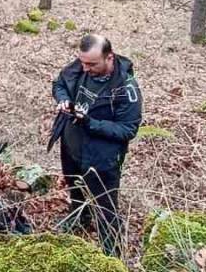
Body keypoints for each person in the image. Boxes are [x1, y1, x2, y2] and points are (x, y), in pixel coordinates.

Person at [51, 33, 142, 257]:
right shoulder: (81, 65)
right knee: (75, 191)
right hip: (71, 145)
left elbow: (127, 129)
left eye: (91, 64)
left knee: (105, 208)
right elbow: (60, 82)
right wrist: (63, 99)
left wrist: (90, 123)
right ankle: (79, 219)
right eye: (82, 62)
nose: (84, 68)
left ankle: (111, 254)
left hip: (102, 158)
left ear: (109, 58)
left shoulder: (126, 89)